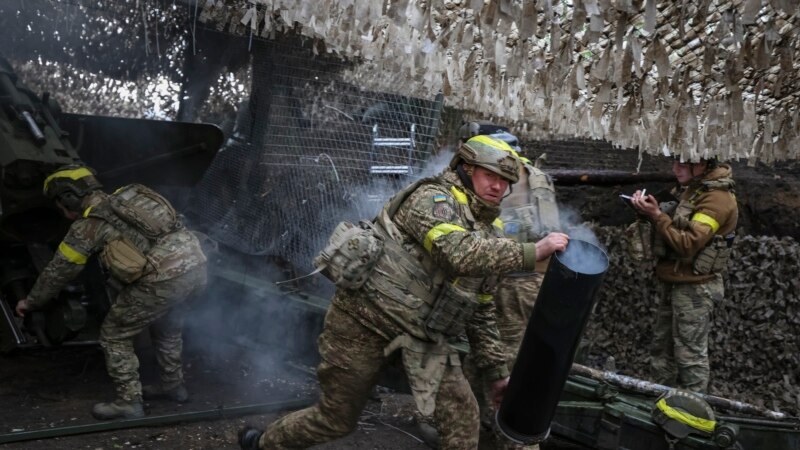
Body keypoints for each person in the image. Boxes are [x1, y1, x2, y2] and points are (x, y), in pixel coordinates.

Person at [238, 135, 569, 449]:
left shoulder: (492, 234)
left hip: (422, 338)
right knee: (336, 419)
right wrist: (533, 251)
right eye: (490, 176)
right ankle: (265, 443)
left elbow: (480, 309)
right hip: (364, 323)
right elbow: (458, 252)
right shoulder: (433, 198)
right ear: (466, 169)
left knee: (463, 422)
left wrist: (497, 374)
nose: (498, 186)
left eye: (505, 181)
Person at [15, 165, 208, 419]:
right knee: (167, 326)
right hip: (196, 267)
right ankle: (172, 386)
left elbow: (58, 272)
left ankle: (129, 402)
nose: (61, 210)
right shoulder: (131, 195)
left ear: (68, 197)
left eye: (59, 204)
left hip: (163, 280)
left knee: (114, 335)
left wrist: (31, 302)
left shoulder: (89, 226)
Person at [458, 122, 561, 450]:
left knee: (499, 359)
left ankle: (508, 436)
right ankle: (475, 427)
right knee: (498, 353)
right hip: (536, 279)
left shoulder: (504, 178)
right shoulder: (536, 175)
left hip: (511, 279)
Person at [630, 155, 738, 393]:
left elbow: (687, 244)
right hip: (675, 282)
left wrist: (657, 216)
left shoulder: (716, 199)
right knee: (662, 351)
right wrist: (647, 212)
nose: (675, 169)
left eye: (681, 164)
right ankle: (660, 402)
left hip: (695, 289)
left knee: (690, 358)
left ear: (701, 164)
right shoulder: (691, 190)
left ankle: (690, 409)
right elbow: (671, 226)